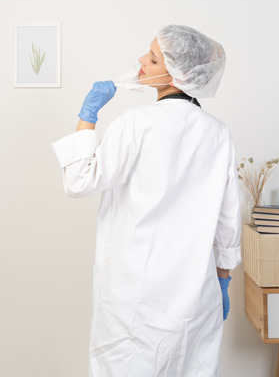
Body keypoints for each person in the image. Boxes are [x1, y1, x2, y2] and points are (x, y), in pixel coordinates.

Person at [51, 24, 241, 377]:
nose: (141, 61)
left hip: (133, 297)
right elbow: (228, 218)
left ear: (177, 75)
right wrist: (224, 278)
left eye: (153, 58)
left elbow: (78, 181)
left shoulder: (136, 123)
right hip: (195, 297)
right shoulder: (218, 133)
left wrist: (87, 115)